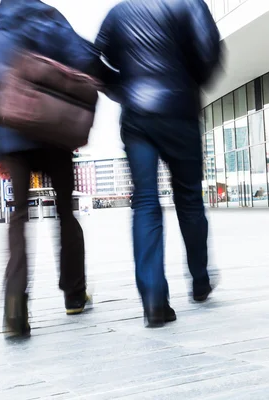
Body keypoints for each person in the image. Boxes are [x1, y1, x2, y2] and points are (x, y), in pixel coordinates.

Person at [0, 0, 113, 337]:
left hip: (12, 139)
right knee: (65, 213)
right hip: (55, 135)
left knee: (19, 217)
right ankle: (75, 295)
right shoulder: (52, 22)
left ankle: (15, 308)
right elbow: (87, 61)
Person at [95, 0, 222, 327]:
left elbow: (93, 59)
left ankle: (153, 299)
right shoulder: (190, 4)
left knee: (146, 201)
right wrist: (188, 82)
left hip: (137, 117)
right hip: (180, 112)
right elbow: (210, 56)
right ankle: (200, 279)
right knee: (190, 198)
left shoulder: (118, 12)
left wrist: (123, 88)